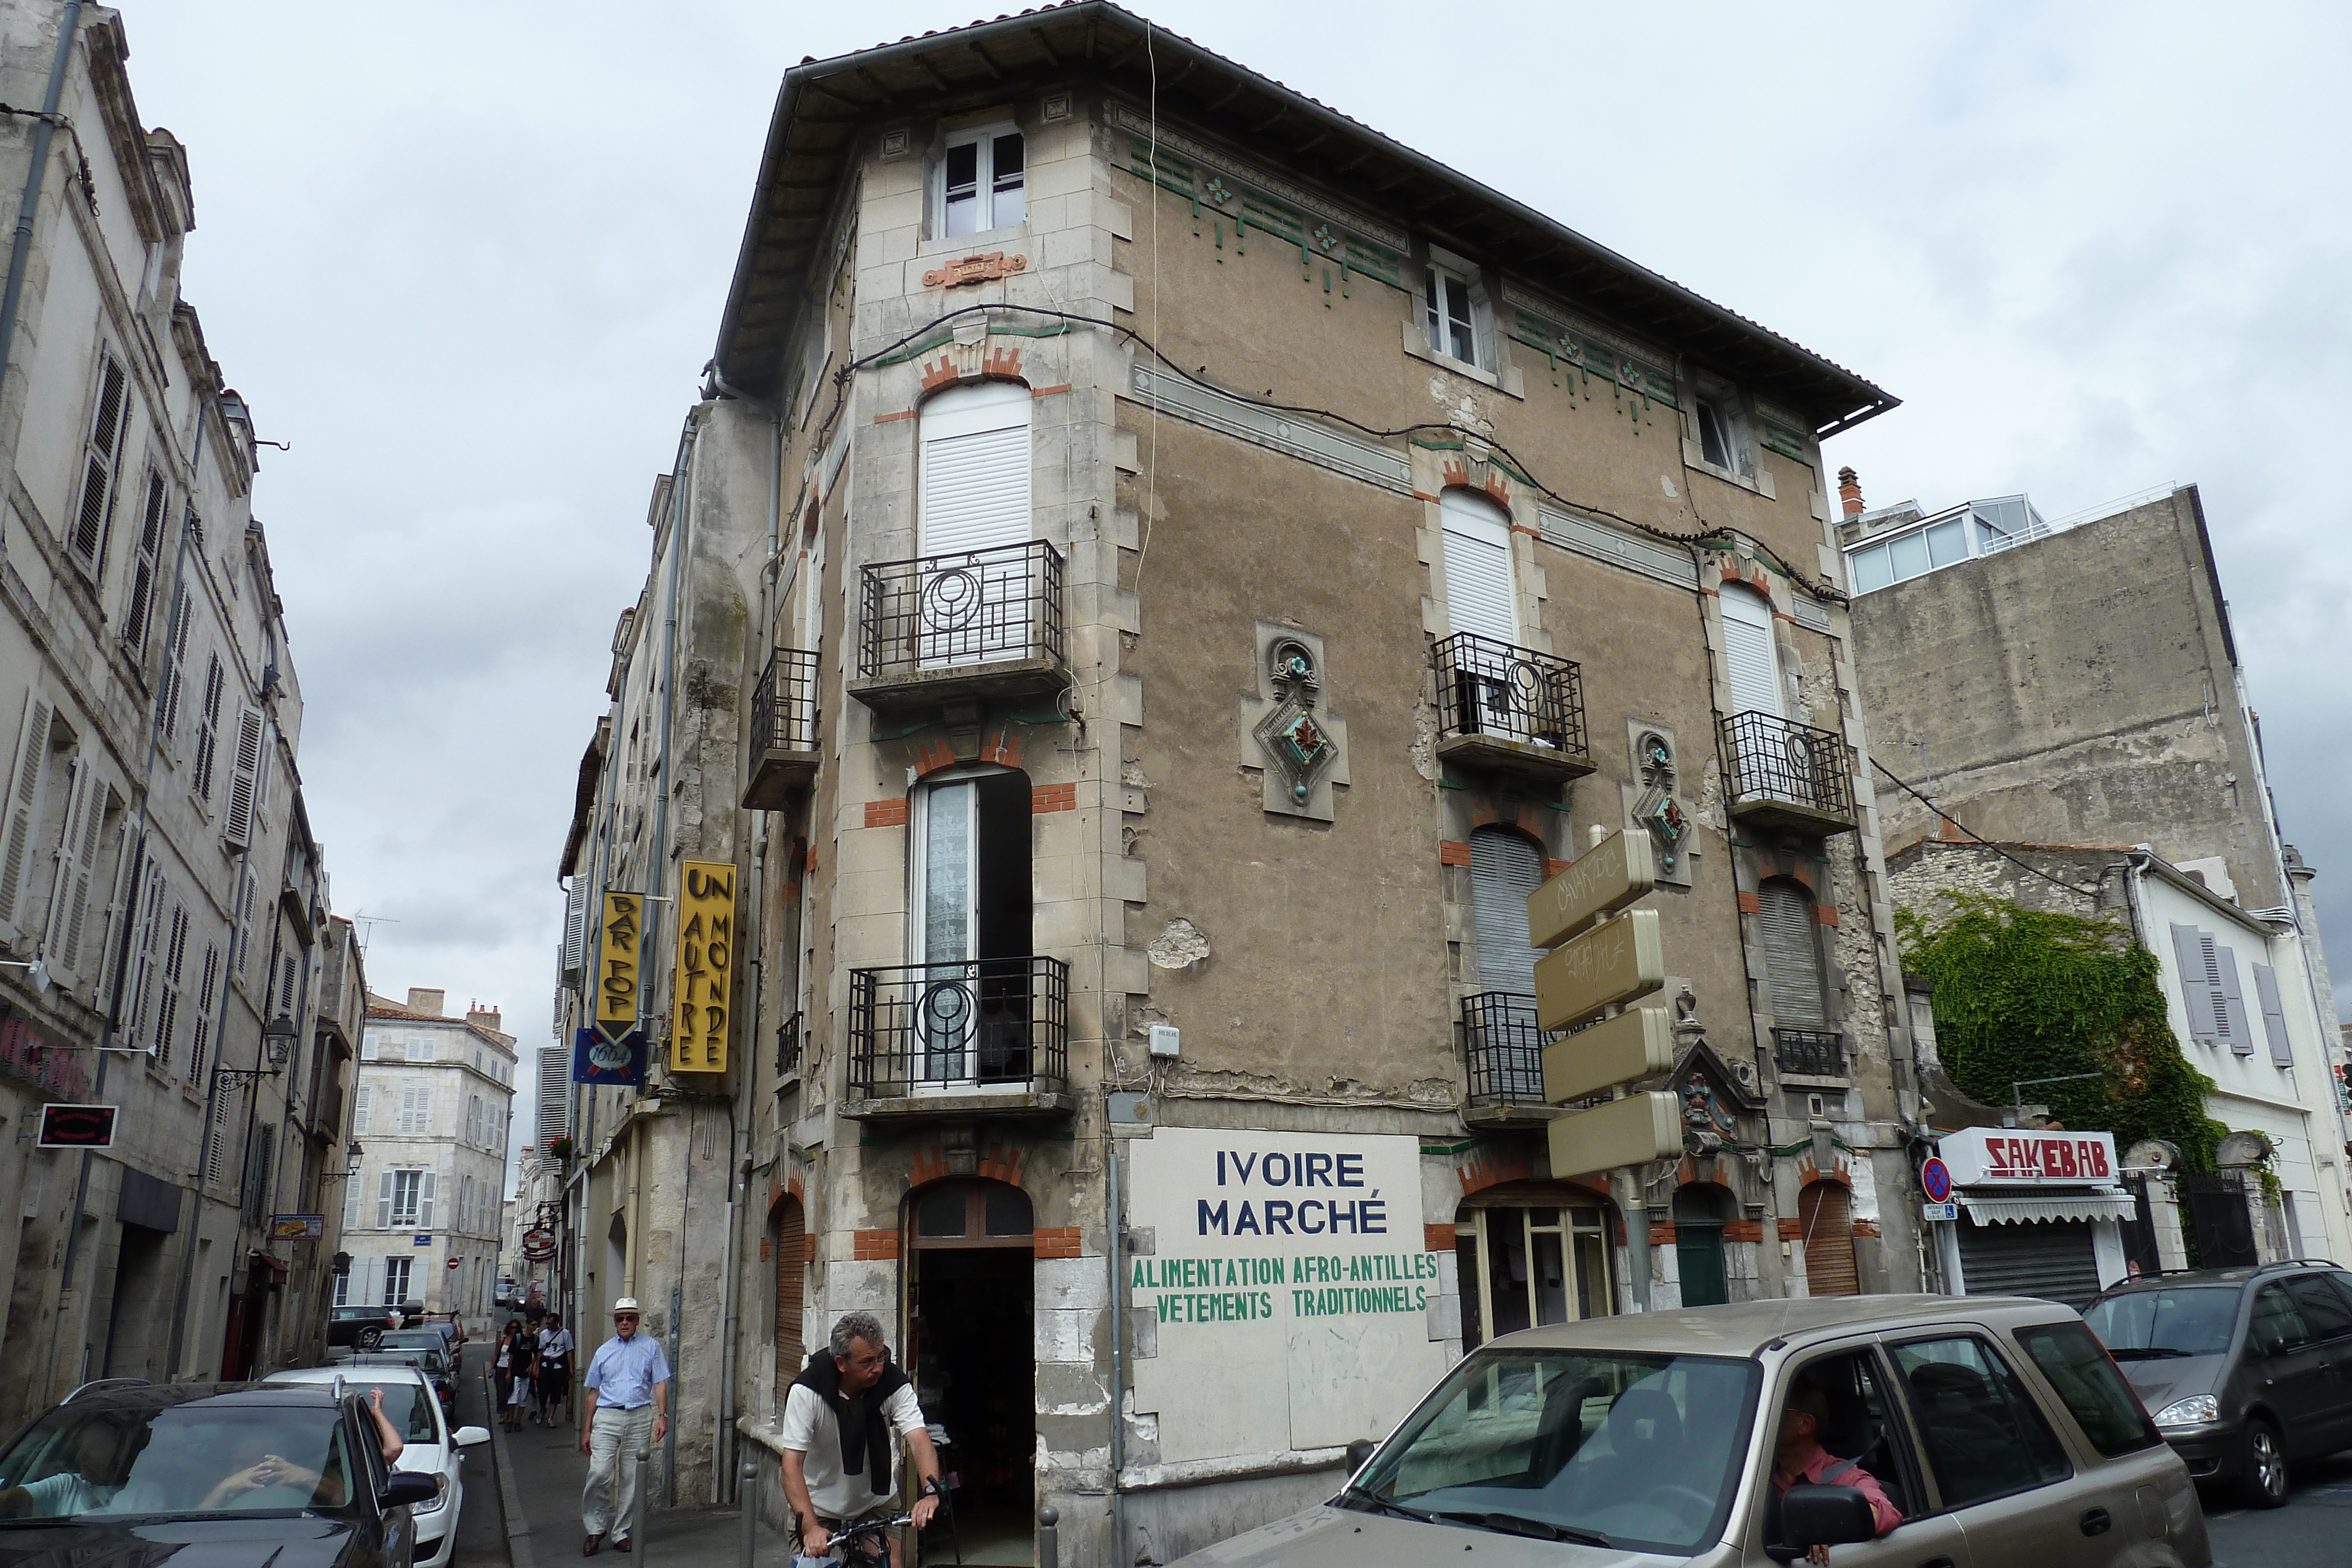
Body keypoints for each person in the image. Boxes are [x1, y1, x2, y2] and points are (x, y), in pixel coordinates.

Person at [780, 1312, 943, 1568]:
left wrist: (931, 1492)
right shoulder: (807, 1392)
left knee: (890, 1563)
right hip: (818, 1505)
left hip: (874, 1502)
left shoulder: (892, 1383)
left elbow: (919, 1440)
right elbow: (791, 1467)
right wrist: (810, 1527)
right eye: (867, 1362)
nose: (877, 1367)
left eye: (881, 1357)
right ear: (841, 1363)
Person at [1771, 1379, 1902, 1565]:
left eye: (1774, 1410)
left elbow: (1883, 1512)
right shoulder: (1751, 1475)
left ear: (1805, 1424)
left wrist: (1824, 1526)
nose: (1761, 1418)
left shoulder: (1846, 1477)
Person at [578, 1296, 670, 1556]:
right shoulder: (604, 1351)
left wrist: (663, 1416)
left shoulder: (651, 1347)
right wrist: (587, 1429)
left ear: (637, 1321)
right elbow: (593, 1392)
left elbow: (660, 1383)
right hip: (607, 1417)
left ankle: (621, 1532)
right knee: (599, 1473)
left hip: (640, 1416)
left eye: (630, 1318)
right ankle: (595, 1529)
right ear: (615, 1322)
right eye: (621, 1319)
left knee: (632, 1477)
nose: (625, 1323)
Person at [537, 1313, 575, 1426]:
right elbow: (540, 1351)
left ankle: (551, 1418)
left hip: (558, 1366)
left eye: (550, 1324)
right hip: (546, 1364)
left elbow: (569, 1351)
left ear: (557, 1323)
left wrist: (571, 1368)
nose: (548, 1326)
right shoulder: (544, 1334)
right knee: (542, 1392)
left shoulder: (565, 1334)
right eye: (547, 1324)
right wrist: (537, 1366)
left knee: (556, 1393)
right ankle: (543, 1409)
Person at [505, 1335, 537, 1433]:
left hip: (526, 1373)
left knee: (523, 1399)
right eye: (532, 1325)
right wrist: (509, 1371)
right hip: (516, 1373)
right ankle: (510, 1421)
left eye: (535, 1325)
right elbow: (511, 1355)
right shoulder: (518, 1338)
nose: (534, 1327)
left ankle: (518, 1422)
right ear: (528, 1325)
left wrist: (532, 1366)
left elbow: (536, 1354)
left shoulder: (535, 1339)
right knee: (513, 1398)